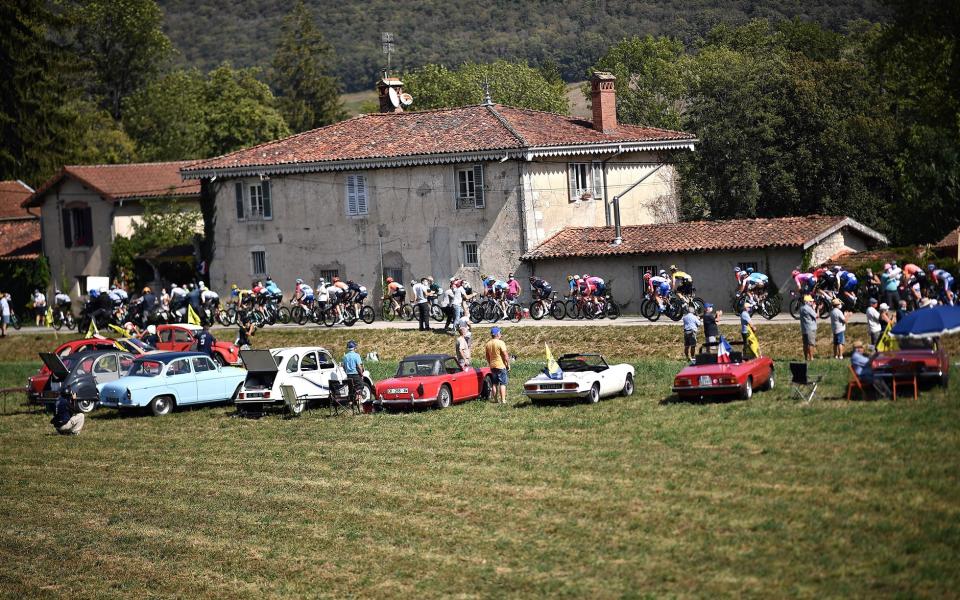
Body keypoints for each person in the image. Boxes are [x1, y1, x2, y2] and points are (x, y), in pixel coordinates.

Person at [484, 327, 510, 403]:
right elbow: (505, 355)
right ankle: (503, 400)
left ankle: (495, 400)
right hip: (501, 365)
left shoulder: (488, 344)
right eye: (500, 333)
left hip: (493, 366)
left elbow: (487, 356)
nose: (501, 334)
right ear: (497, 334)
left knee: (494, 383)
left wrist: (490, 363)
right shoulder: (501, 343)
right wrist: (508, 364)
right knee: (502, 384)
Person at [799, 294, 818, 361]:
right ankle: (811, 357)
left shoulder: (801, 308)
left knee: (805, 344)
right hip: (810, 328)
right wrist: (817, 309)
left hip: (804, 328)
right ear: (807, 302)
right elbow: (816, 316)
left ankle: (806, 358)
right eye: (811, 301)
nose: (812, 302)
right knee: (811, 344)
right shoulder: (808, 308)